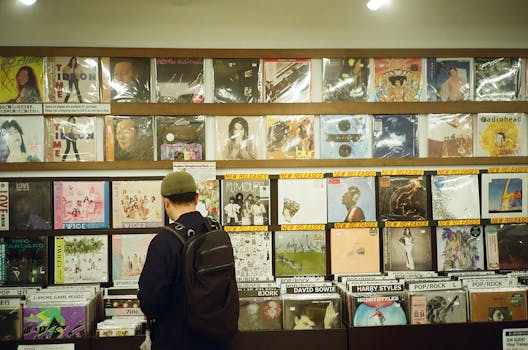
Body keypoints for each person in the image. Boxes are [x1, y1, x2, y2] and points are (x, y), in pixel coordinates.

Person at [138, 171, 234, 350]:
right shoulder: (216, 232)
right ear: (197, 198)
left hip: (177, 340)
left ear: (165, 201)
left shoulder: (164, 241)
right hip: (219, 339)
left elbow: (151, 301)